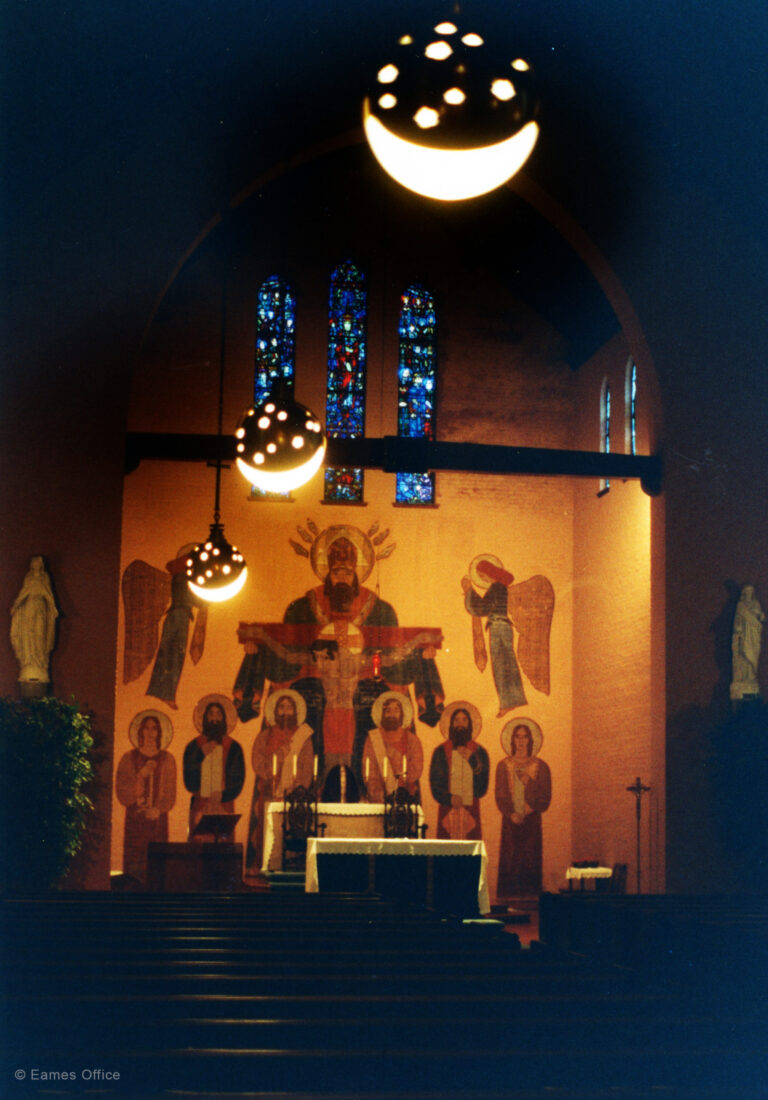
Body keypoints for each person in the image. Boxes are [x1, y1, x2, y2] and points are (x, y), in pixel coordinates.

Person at [233, 523, 445, 802]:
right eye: (336, 572)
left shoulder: (380, 610)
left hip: (365, 711)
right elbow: (284, 656)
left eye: (347, 571)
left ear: (357, 572)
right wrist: (257, 651)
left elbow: (397, 658)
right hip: (315, 710)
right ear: (327, 574)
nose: (342, 576)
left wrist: (422, 656)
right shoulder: (301, 607)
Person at [461, 554, 554, 717]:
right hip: (503, 628)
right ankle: (514, 700)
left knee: (501, 665)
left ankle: (508, 702)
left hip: (498, 628)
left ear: (489, 574)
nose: (481, 578)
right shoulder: (500, 587)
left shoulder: (496, 588)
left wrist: (469, 590)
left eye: (482, 575)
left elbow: (481, 608)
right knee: (507, 664)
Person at [244, 690, 315, 876]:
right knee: (266, 831)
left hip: (294, 797)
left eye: (289, 707)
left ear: (295, 711)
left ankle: (290, 868)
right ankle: (263, 866)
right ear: (275, 710)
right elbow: (257, 762)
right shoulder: (265, 736)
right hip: (268, 792)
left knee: (291, 832)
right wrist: (277, 757)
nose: (285, 711)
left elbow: (307, 767)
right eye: (281, 707)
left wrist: (296, 788)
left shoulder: (303, 737)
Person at [115, 710, 177, 883]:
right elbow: (121, 791)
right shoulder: (128, 758)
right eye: (147, 728)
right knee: (134, 869)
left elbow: (171, 792)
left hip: (158, 822)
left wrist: (158, 809)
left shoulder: (167, 759)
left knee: (157, 867)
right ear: (141, 731)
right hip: (135, 822)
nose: (150, 732)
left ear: (159, 733)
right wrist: (140, 775)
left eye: (154, 728)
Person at [495, 718, 552, 898]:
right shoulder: (504, 766)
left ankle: (530, 898)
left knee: (530, 859)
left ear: (530, 740)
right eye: (517, 737)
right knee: (510, 859)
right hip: (510, 821)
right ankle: (508, 898)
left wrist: (529, 782)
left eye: (525, 737)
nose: (521, 741)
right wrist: (511, 813)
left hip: (532, 821)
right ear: (512, 740)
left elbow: (545, 798)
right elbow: (501, 794)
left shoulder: (541, 767)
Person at [183, 694, 245, 839]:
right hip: (200, 805)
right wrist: (200, 754)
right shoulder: (194, 746)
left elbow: (238, 778)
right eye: (211, 714)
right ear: (204, 718)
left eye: (218, 714)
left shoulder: (234, 747)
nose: (214, 718)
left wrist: (223, 795)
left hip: (224, 805)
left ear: (224, 718)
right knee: (199, 850)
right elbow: (188, 778)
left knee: (224, 849)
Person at [428, 701, 489, 839]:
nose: (460, 724)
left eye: (464, 720)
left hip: (471, 811)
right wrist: (449, 798)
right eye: (456, 720)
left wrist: (472, 760)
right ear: (451, 724)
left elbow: (482, 787)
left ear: (470, 724)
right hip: (447, 809)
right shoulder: (440, 751)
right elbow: (435, 784)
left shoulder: (479, 752)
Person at [362, 691, 423, 802]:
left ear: (402, 713)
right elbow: (369, 769)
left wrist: (398, 780)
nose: (392, 714)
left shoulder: (412, 740)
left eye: (396, 710)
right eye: (388, 711)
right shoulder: (373, 738)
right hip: (379, 797)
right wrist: (378, 793)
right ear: (382, 714)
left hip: (405, 794)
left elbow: (416, 767)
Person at [10, 555, 59, 685]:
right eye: (34, 563)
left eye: (38, 563)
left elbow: (48, 593)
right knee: (28, 634)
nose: (36, 565)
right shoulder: (29, 578)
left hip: (40, 608)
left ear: (41, 565)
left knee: (39, 635)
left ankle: (40, 661)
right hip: (29, 608)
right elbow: (24, 592)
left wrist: (53, 607)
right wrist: (15, 605)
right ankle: (29, 661)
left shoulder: (44, 578)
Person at [731, 584, 765, 700]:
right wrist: (738, 629)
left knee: (753, 657)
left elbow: (761, 618)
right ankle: (744, 677)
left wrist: (760, 616)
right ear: (744, 592)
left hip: (754, 635)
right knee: (744, 656)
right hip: (745, 635)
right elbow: (737, 621)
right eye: (747, 591)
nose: (749, 593)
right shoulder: (741, 605)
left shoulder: (756, 604)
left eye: (751, 591)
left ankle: (752, 677)